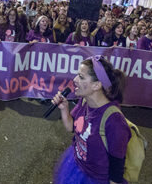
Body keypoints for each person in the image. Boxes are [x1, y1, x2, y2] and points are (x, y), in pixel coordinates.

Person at [52, 55, 130, 184]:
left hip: (95, 179)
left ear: (97, 85)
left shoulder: (114, 121)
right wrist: (64, 108)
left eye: (81, 77)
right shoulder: (84, 101)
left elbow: (116, 169)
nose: (75, 79)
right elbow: (71, 127)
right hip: (76, 166)